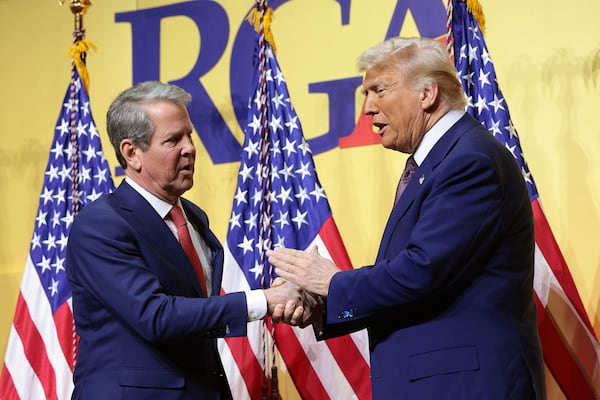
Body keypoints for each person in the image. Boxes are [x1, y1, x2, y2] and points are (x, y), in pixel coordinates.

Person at [268, 36, 546, 399]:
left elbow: (423, 272)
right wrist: (324, 306)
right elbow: (421, 285)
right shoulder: (436, 163)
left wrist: (331, 283)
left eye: (378, 90)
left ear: (427, 94)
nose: (367, 108)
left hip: (466, 386)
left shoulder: (468, 161)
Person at [65, 81, 303, 400]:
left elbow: (196, 314)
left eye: (189, 135)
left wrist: (276, 298)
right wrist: (262, 302)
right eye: (173, 139)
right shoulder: (101, 224)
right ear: (131, 153)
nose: (190, 148)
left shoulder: (193, 217)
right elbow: (156, 316)